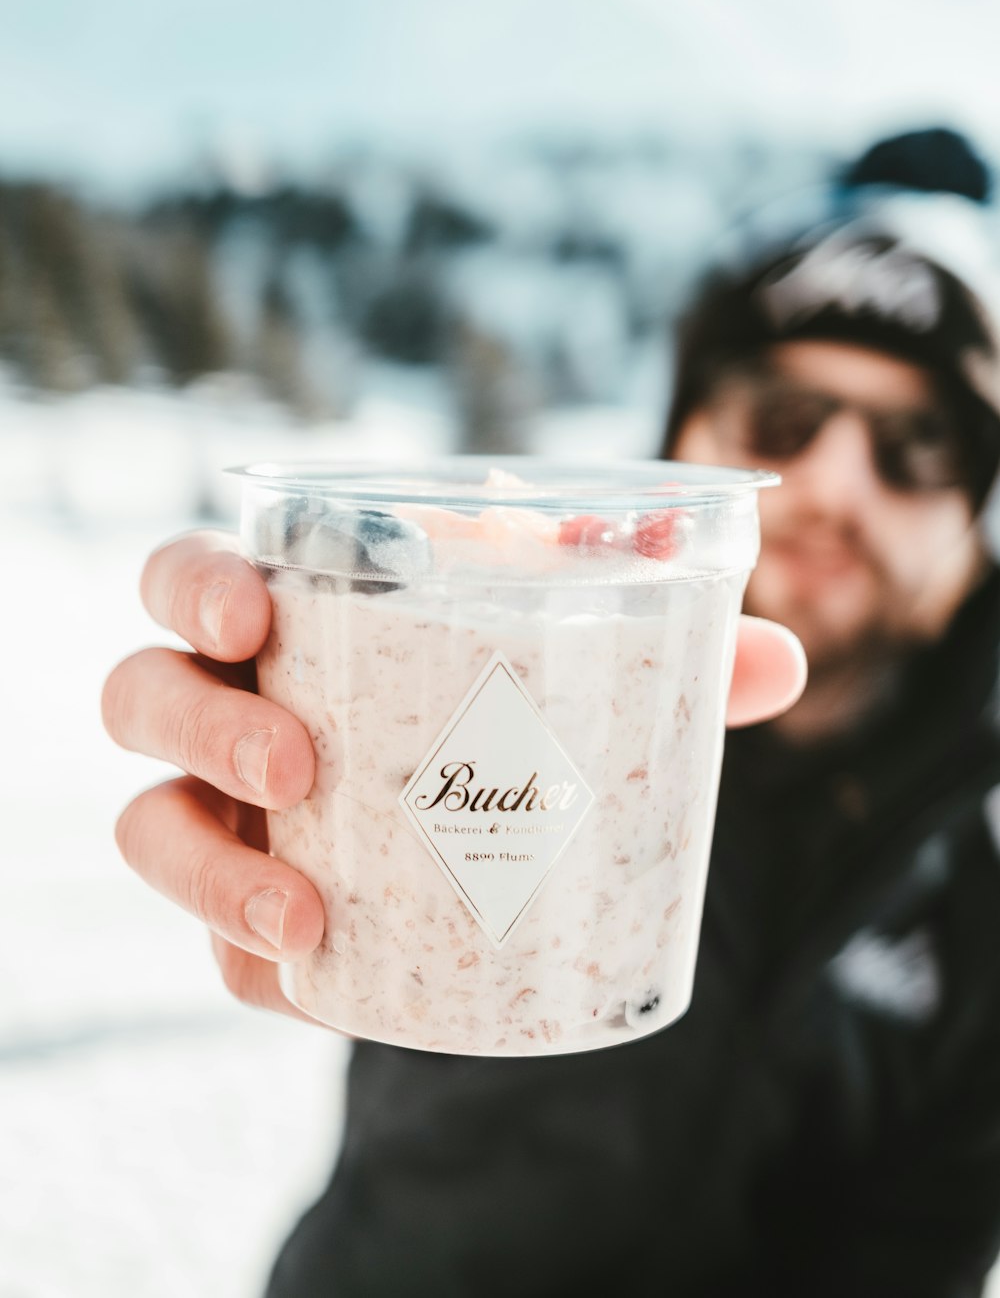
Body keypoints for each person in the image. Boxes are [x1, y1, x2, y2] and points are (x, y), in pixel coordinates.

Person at [102, 127, 1000, 1296]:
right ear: (682, 454)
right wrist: (288, 717)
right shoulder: (467, 685)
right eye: (780, 420)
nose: (832, 485)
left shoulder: (983, 897)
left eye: (916, 443)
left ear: (976, 522)